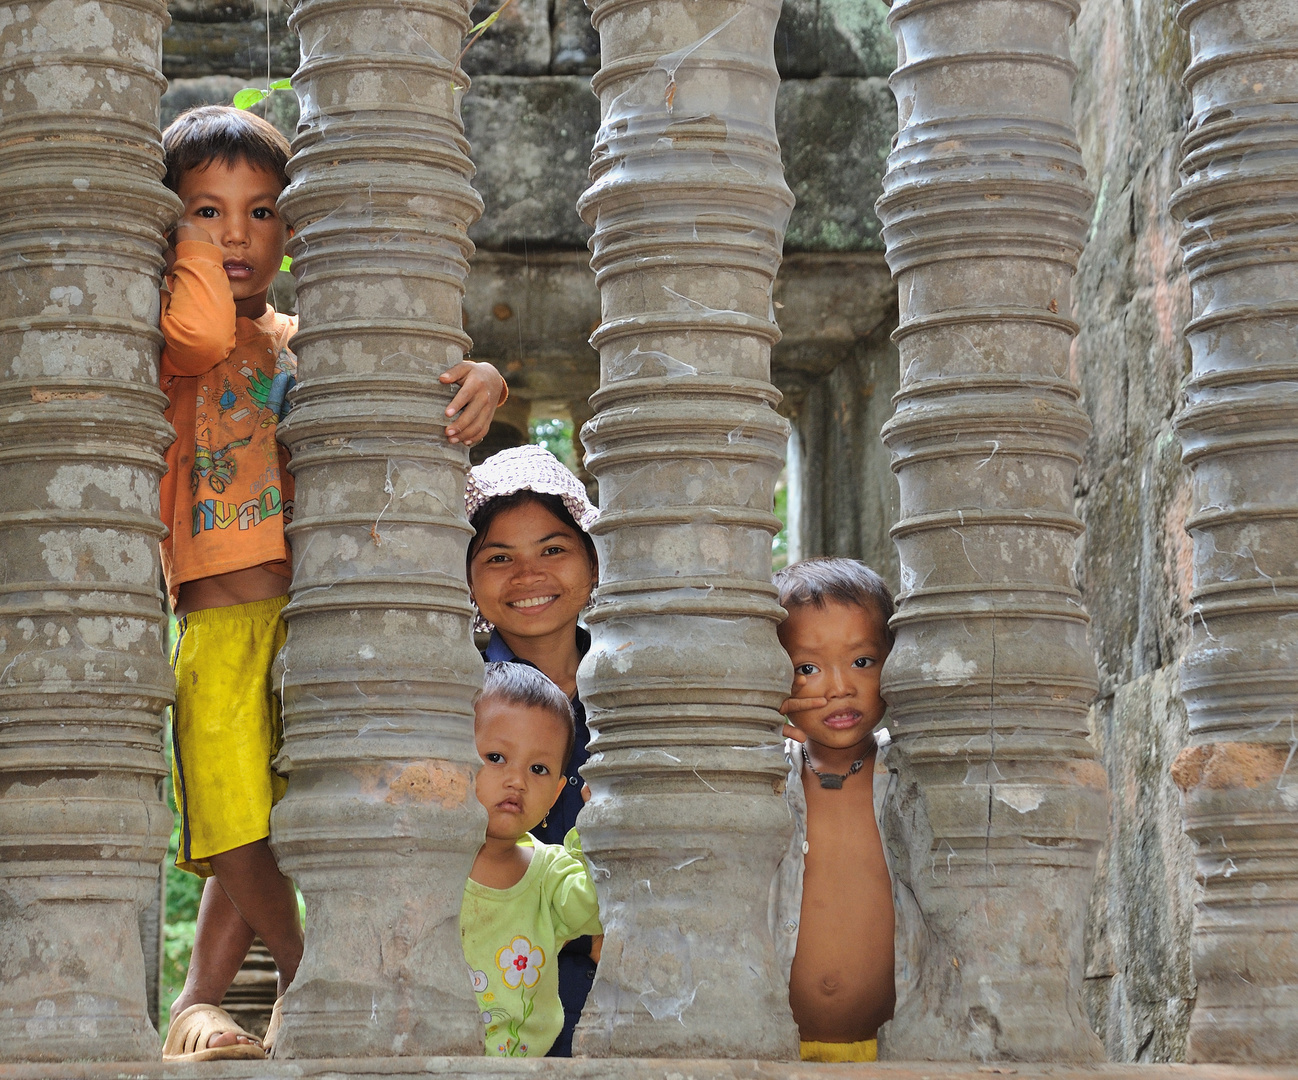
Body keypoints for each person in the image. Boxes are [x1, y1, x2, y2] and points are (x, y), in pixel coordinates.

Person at [157, 105, 506, 1060]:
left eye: (263, 212)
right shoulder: (165, 344)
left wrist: (484, 379)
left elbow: (418, 379)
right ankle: (312, 973)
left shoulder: (309, 340)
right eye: (205, 212)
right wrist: (175, 251)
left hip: (316, 618)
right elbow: (194, 332)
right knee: (233, 827)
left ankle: (201, 1000)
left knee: (284, 817)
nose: (237, 235)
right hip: (221, 622)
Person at [464, 444, 600, 1056]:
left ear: (594, 565)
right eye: (499, 557)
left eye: (553, 549)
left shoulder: (646, 688)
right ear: (466, 580)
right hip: (487, 1009)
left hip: (625, 991)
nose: (528, 575)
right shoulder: (455, 695)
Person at [769, 557, 897, 1063]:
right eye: (808, 668)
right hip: (779, 1053)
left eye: (862, 661)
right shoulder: (767, 774)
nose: (839, 686)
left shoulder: (909, 770)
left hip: (894, 1055)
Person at [462, 662, 603, 1057]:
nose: (517, 780)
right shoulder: (423, 861)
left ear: (558, 794)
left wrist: (596, 832)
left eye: (538, 768)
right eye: (495, 757)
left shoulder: (550, 873)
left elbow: (593, 908)